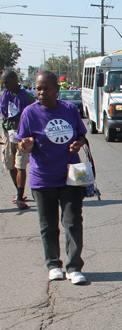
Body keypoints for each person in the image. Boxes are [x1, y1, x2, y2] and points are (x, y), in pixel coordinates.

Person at [14, 71, 88, 284]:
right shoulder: (30, 113)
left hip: (70, 176)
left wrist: (79, 143)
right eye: (38, 88)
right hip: (43, 178)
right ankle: (54, 264)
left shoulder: (69, 109)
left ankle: (74, 267)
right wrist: (24, 146)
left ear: (57, 89)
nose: (41, 93)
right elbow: (22, 141)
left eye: (46, 88)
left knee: (73, 222)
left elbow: (81, 134)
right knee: (48, 225)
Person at [1, 69, 37, 210]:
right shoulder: (2, 96)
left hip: (23, 135)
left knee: (20, 164)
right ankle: (18, 191)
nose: (4, 86)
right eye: (3, 83)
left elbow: (35, 115)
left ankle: (19, 195)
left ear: (15, 80)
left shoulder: (27, 97)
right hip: (8, 135)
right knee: (10, 165)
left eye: (6, 83)